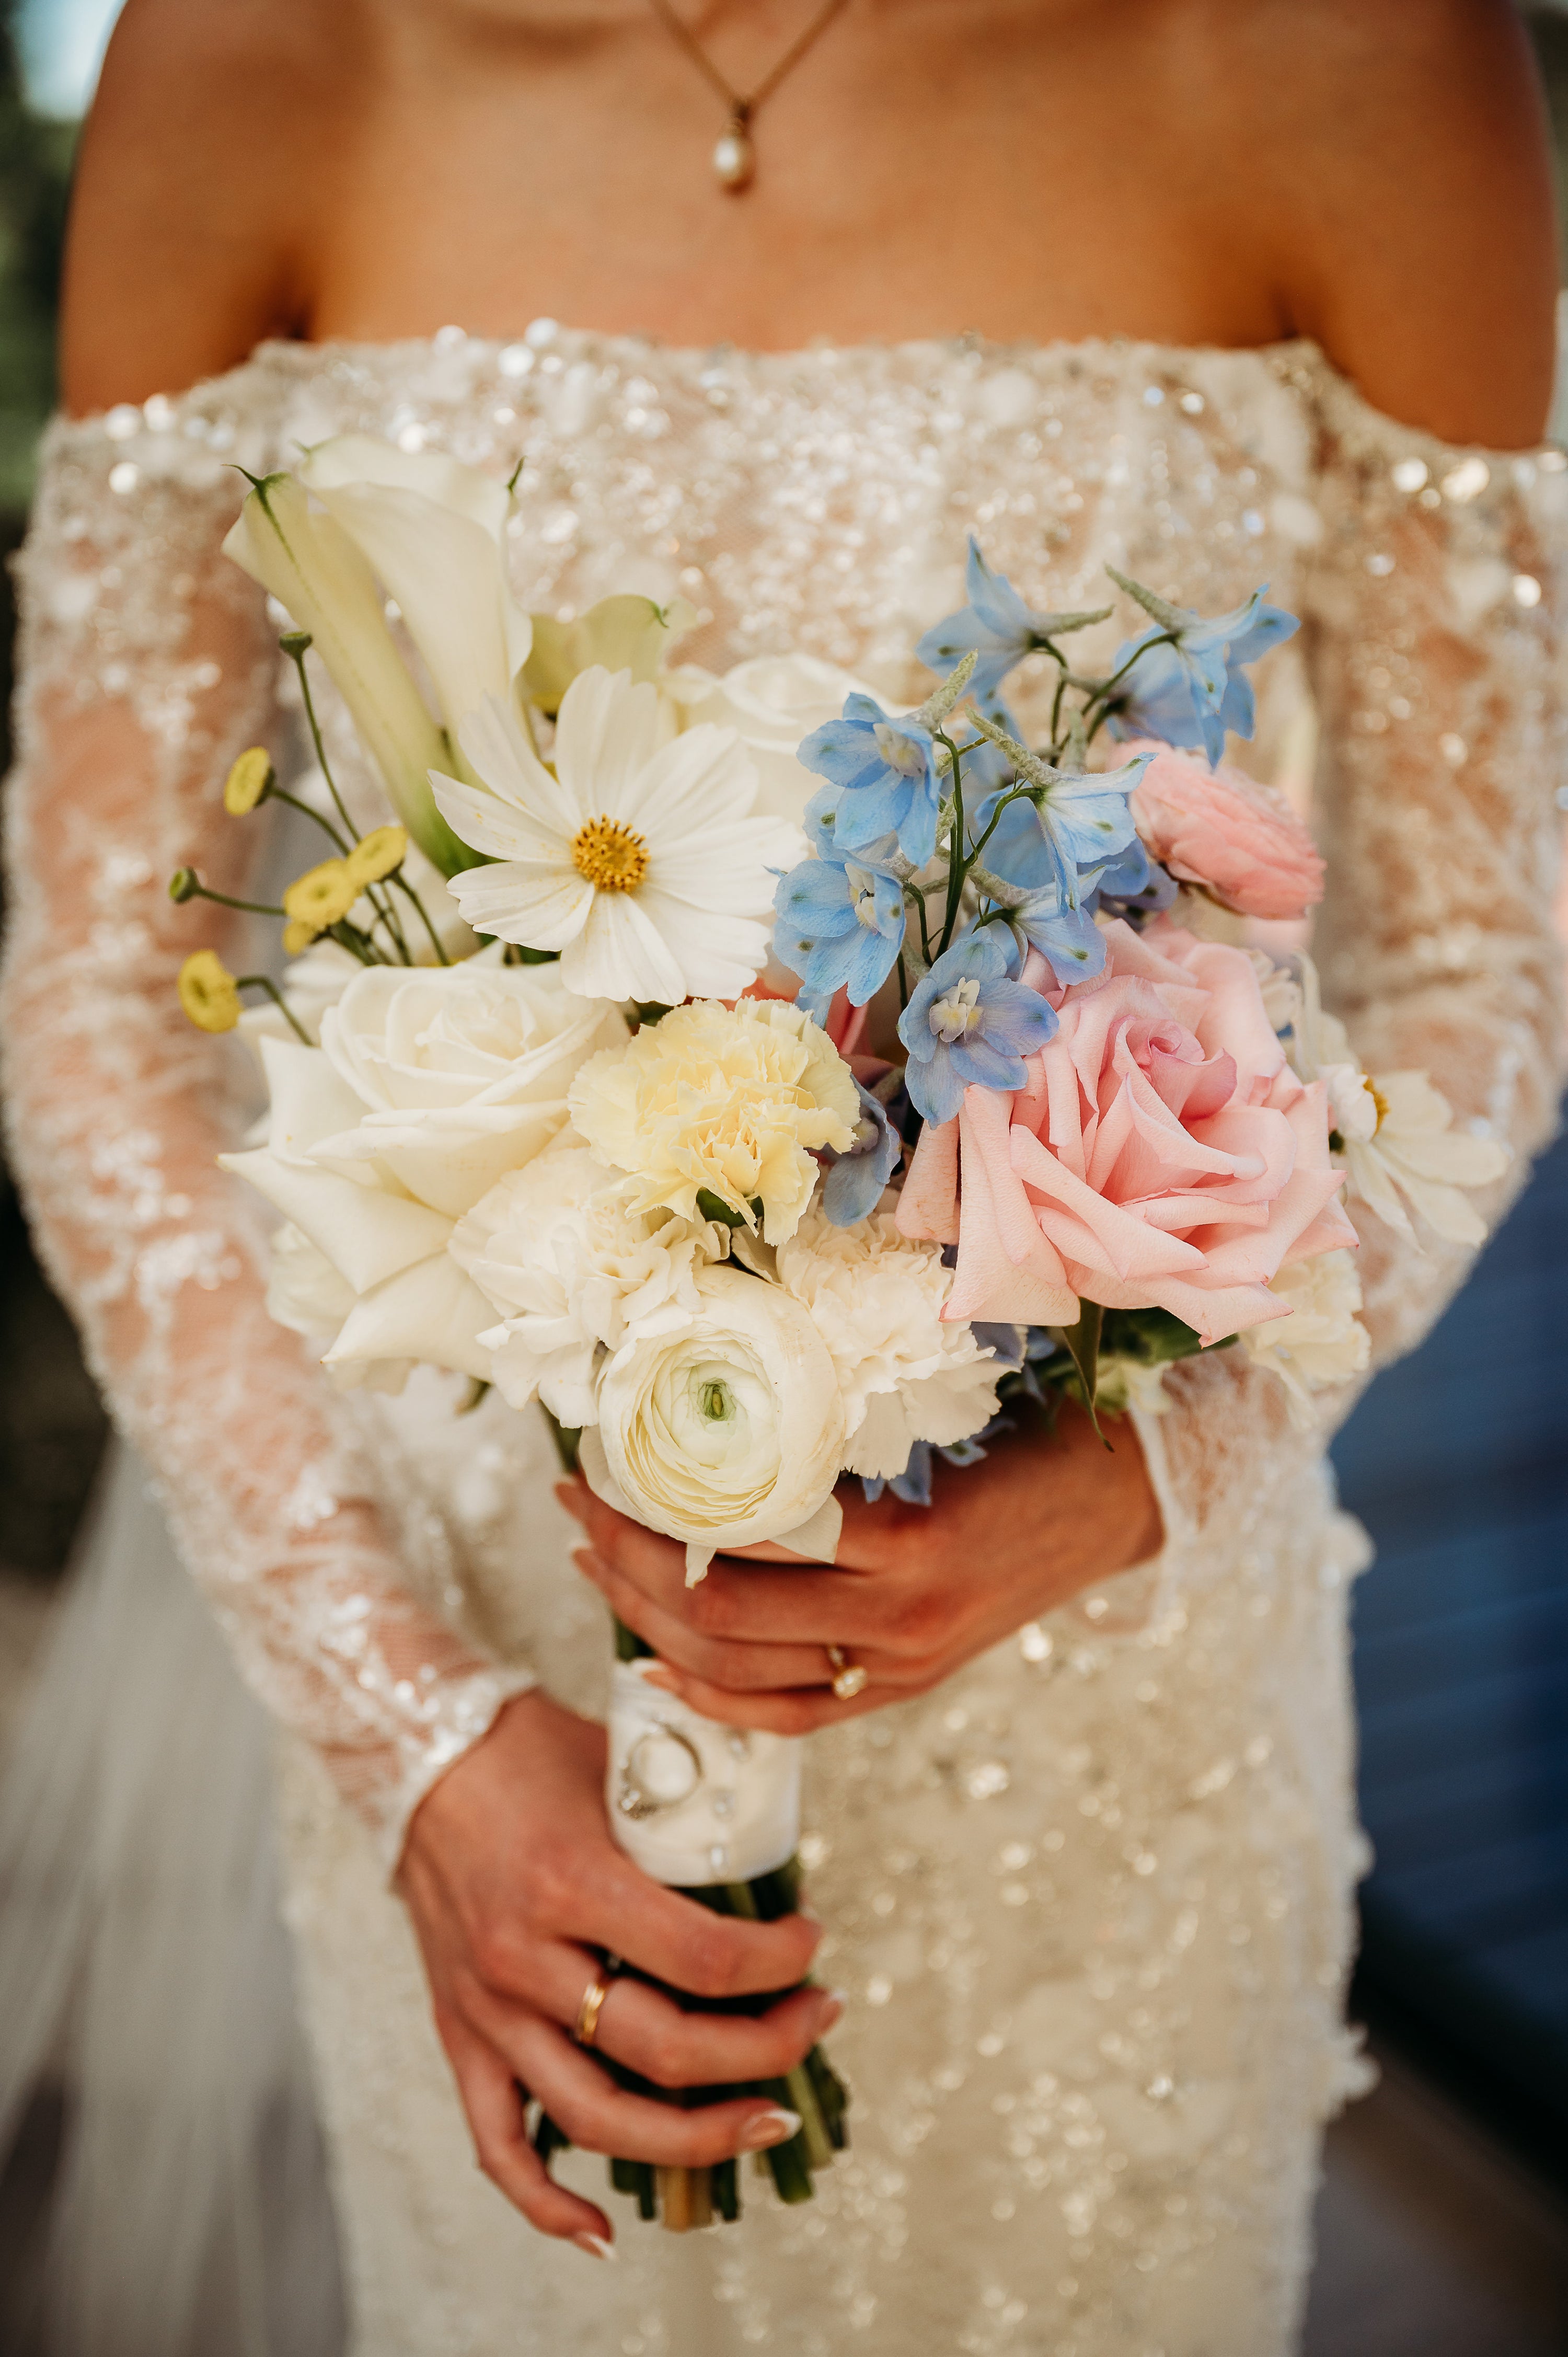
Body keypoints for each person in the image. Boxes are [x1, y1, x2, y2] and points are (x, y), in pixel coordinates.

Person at [2, 1, 1563, 2350]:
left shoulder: (1351, 56)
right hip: (506, 1680)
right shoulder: (263, 57)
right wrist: (412, 1731)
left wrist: (1146, 1470)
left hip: (1104, 1705)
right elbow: (102, 1008)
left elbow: (1479, 957)